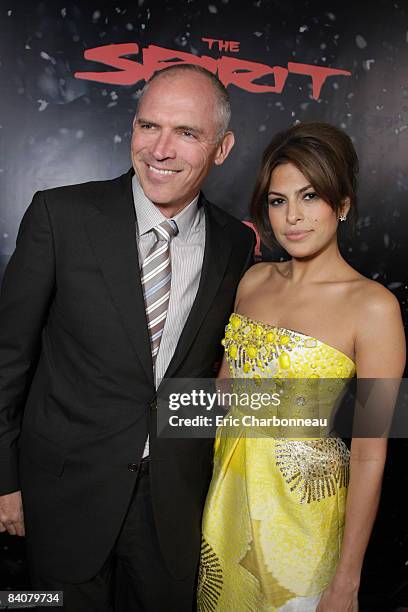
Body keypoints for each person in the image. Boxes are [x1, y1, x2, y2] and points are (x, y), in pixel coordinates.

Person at [0, 64, 255, 611]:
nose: (160, 149)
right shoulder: (60, 214)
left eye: (187, 133)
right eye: (148, 127)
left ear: (223, 147)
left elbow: (218, 378)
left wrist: (354, 413)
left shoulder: (236, 244)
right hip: (60, 495)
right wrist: (3, 481)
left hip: (175, 506)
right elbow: (7, 361)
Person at [197, 122, 406, 611]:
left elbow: (371, 452)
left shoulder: (374, 308)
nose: (292, 217)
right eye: (277, 200)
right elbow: (222, 397)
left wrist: (347, 580)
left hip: (304, 524)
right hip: (227, 508)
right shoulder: (253, 280)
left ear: (344, 204)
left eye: (310, 197)